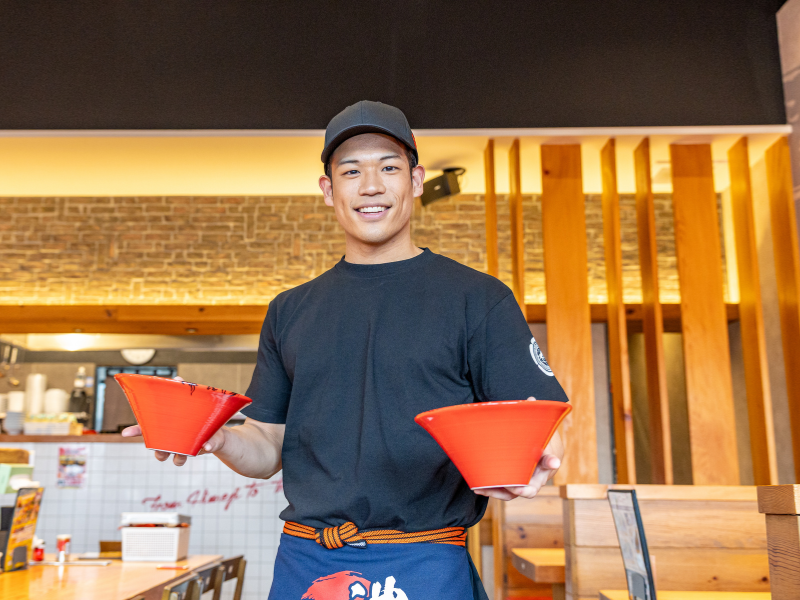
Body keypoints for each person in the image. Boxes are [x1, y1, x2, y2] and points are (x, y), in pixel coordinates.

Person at [123, 100, 569, 599]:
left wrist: (537, 457)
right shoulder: (290, 310)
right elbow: (267, 446)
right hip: (308, 563)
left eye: (389, 168)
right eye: (351, 171)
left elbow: (542, 425)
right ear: (328, 189)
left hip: (425, 560)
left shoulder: (477, 298)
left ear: (416, 181)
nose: (371, 185)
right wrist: (216, 437)